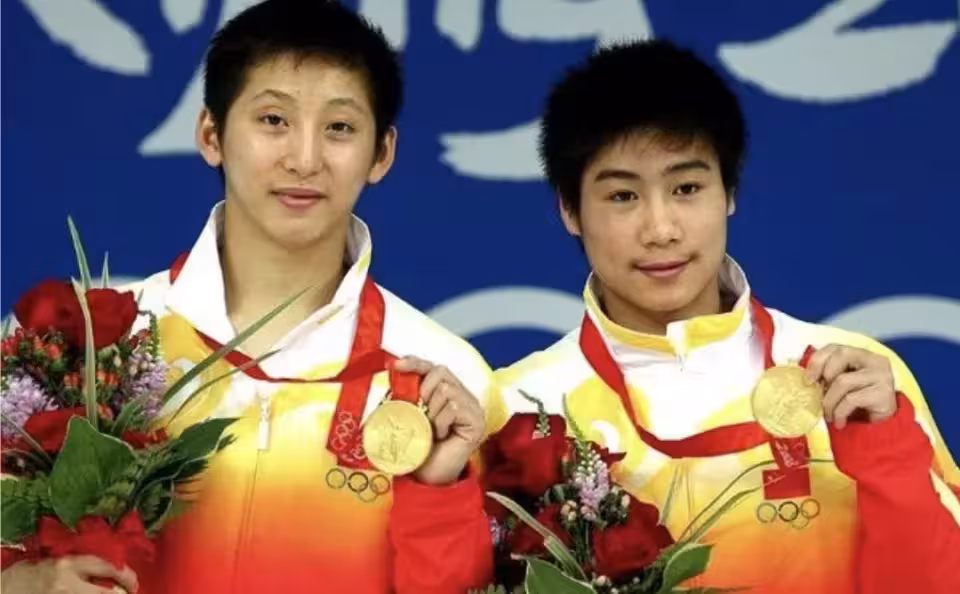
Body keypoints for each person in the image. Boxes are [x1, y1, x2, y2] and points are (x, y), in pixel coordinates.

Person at [1, 2, 500, 593]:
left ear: (382, 154)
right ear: (211, 134)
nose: (304, 159)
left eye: (339, 128)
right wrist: (25, 582)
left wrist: (438, 491)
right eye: (273, 120)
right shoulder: (91, 353)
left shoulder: (446, 381)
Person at [493, 39, 960, 593]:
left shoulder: (855, 380)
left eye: (687, 188)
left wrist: (886, 452)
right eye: (622, 196)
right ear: (570, 210)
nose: (661, 229)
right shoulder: (520, 408)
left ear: (729, 193)